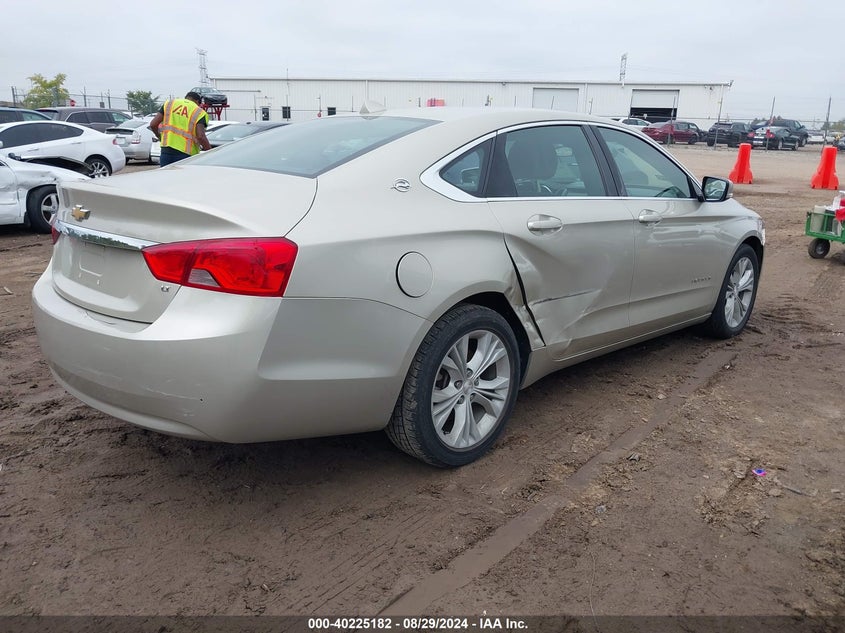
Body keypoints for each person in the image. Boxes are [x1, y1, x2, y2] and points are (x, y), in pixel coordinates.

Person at [149, 91, 211, 166]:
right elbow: (201, 136)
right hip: (186, 154)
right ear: (198, 101)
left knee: (166, 173)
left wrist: (160, 137)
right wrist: (211, 153)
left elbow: (153, 124)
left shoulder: (169, 104)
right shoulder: (199, 111)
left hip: (166, 150)